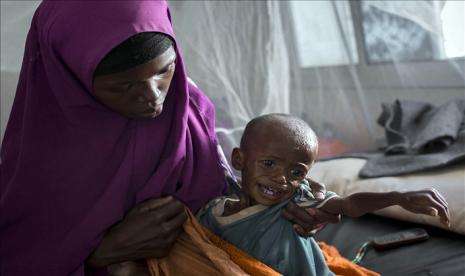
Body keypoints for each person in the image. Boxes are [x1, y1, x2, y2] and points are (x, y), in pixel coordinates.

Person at [0, 2, 337, 275]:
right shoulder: (38, 161)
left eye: (164, 70)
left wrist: (291, 201)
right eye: (123, 86)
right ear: (71, 79)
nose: (152, 95)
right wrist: (98, 255)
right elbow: (19, 256)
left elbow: (224, 197)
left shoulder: (189, 108)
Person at [199, 113, 450, 276]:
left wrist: (397, 197)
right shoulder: (214, 212)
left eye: (297, 172)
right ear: (239, 159)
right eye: (268, 164)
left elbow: (349, 204)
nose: (282, 178)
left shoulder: (295, 198)